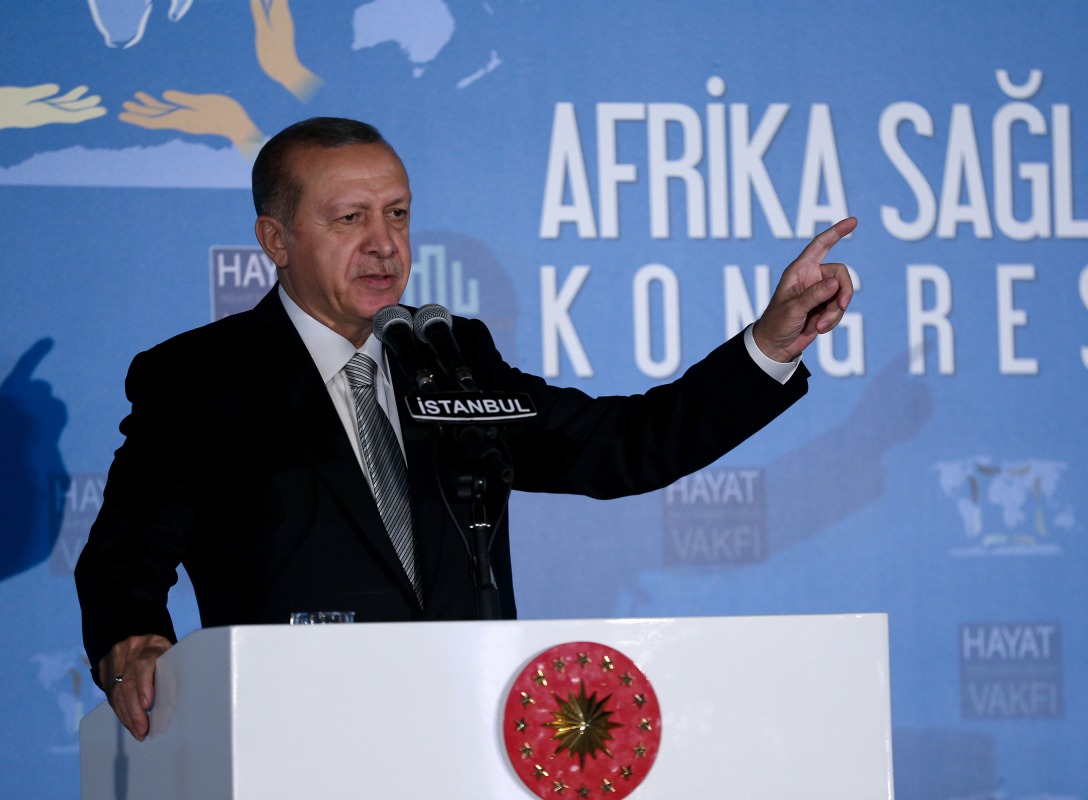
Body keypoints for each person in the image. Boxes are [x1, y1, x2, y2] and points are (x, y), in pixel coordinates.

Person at [75, 117, 857, 741]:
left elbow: (622, 447)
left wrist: (769, 345)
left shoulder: (448, 357)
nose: (384, 244)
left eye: (398, 215)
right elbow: (127, 550)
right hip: (300, 741)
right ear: (276, 241)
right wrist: (134, 637)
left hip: (469, 736)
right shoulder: (203, 380)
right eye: (350, 219)